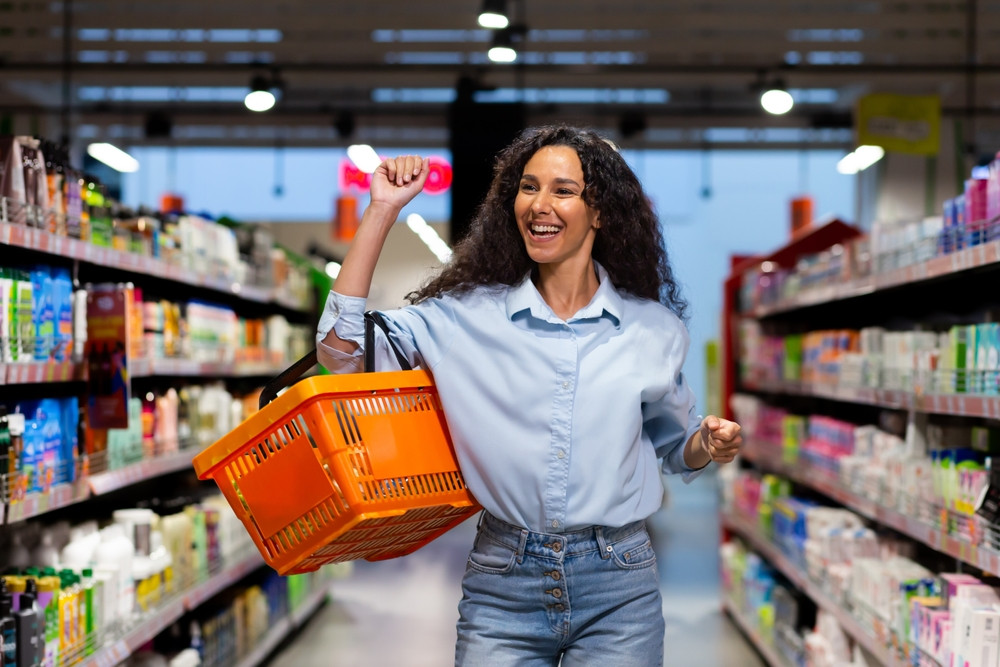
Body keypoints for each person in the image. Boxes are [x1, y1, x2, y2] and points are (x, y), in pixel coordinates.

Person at [316, 125, 743, 666]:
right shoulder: (464, 317)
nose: (539, 204)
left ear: (601, 212)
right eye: (528, 186)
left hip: (619, 584)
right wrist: (381, 211)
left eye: (563, 190)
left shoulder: (653, 330)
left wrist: (709, 443)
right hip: (503, 581)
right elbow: (340, 352)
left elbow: (676, 447)